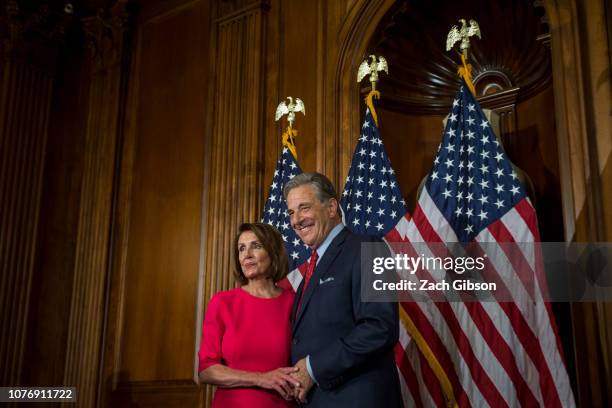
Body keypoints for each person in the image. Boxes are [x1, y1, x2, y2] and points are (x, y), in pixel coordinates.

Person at [284, 172, 401, 407]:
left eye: (304, 208)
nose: (296, 220)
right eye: (291, 212)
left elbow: (379, 328)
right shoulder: (313, 266)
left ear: (331, 207)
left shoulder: (370, 248)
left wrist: (312, 368)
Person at [198, 222, 301, 407]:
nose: (247, 255)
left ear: (273, 252)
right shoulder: (223, 302)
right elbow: (206, 370)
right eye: (241, 249)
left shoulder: (294, 303)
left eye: (256, 246)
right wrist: (260, 378)